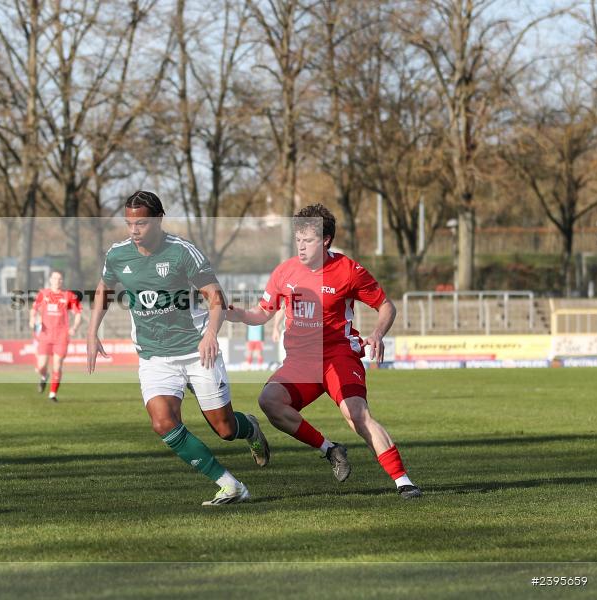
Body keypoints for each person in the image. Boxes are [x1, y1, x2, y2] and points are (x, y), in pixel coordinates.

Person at [226, 204, 422, 499]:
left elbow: (386, 305)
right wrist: (238, 314)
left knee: (356, 414)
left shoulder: (348, 271)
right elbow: (263, 312)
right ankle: (330, 450)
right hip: (301, 362)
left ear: (326, 240)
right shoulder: (285, 271)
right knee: (269, 401)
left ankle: (403, 481)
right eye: (298, 240)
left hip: (337, 355)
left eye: (308, 240)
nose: (301, 246)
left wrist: (378, 333)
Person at [87, 190, 269, 506]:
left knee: (225, 429)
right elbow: (104, 289)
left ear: (158, 219)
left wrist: (211, 333)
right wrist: (92, 332)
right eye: (129, 223)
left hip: (198, 350)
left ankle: (250, 428)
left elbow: (216, 297)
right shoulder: (117, 255)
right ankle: (230, 485)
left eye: (141, 223)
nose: (134, 230)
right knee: (162, 422)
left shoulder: (184, 253)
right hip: (154, 355)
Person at [30, 270, 82, 402]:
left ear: (62, 281)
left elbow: (78, 313)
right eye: (54, 278)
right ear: (50, 280)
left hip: (61, 336)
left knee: (57, 365)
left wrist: (74, 327)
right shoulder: (43, 294)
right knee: (41, 366)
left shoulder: (68, 295)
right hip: (45, 334)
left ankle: (52, 394)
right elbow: (34, 309)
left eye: (59, 278)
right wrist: (32, 319)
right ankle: (43, 377)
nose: (57, 281)